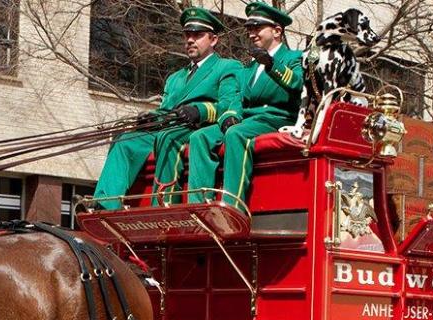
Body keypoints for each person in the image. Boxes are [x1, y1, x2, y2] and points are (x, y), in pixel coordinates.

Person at [92, 7, 241, 209]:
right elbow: (166, 110)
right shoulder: (175, 78)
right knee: (125, 140)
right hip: (169, 127)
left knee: (167, 138)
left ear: (213, 40)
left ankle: (163, 202)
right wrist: (151, 118)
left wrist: (200, 111)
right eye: (187, 35)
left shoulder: (227, 67)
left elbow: (228, 104)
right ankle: (105, 204)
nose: (190, 40)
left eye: (197, 35)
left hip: (198, 129)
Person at [187, 2, 304, 212]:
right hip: (249, 119)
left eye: (257, 28)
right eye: (249, 29)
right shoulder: (249, 66)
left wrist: (272, 65)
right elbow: (237, 97)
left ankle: (233, 207)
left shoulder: (294, 58)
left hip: (277, 118)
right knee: (199, 137)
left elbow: (297, 84)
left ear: (277, 31)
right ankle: (199, 206)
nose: (251, 34)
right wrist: (230, 116)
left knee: (236, 135)